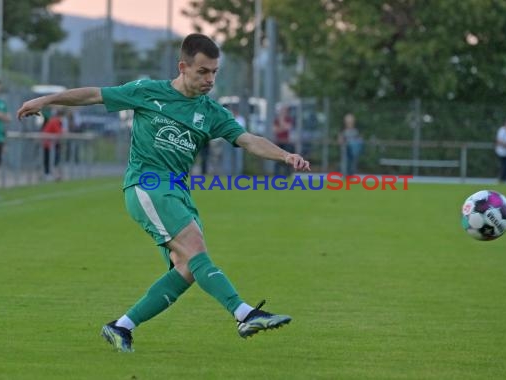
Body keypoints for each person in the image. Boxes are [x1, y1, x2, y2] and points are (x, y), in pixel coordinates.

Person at [17, 33, 310, 352]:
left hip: (178, 191)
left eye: (214, 72)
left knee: (187, 268)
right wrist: (45, 100)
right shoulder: (147, 91)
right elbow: (94, 95)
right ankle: (245, 314)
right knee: (196, 249)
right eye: (202, 71)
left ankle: (121, 326)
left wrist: (285, 155)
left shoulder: (211, 113)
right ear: (183, 67)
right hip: (146, 185)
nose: (210, 79)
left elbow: (248, 139)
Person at [41, 109, 63, 180]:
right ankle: (48, 174)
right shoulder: (55, 121)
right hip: (48, 144)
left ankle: (53, 174)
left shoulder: (55, 121)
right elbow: (59, 132)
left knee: (54, 159)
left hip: (51, 143)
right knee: (50, 160)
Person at [273, 106, 294, 176]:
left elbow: (288, 128)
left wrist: (281, 122)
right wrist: (282, 127)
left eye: (284, 111)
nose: (283, 112)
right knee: (277, 159)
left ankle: (288, 174)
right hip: (278, 142)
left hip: (286, 142)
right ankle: (277, 175)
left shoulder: (288, 119)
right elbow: (275, 130)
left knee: (288, 159)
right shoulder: (276, 120)